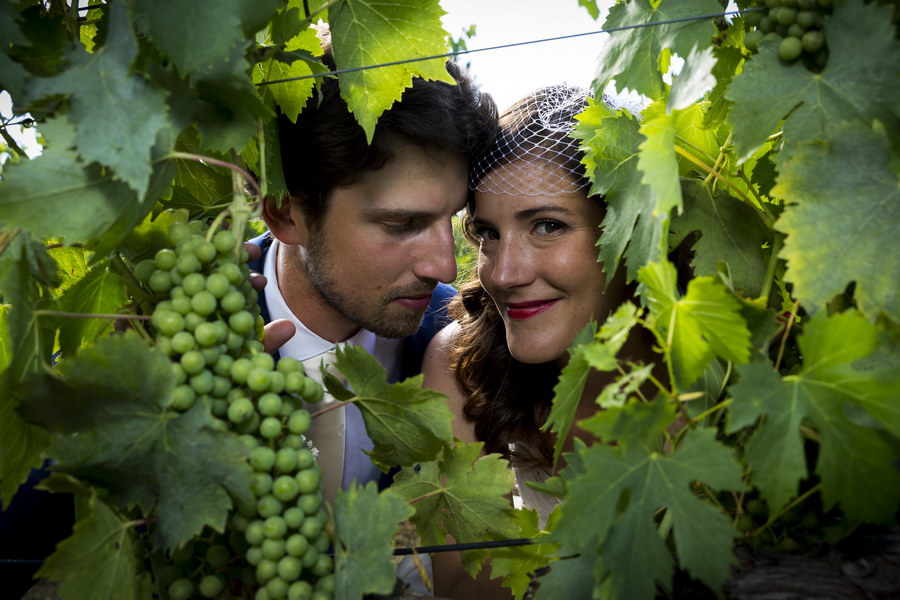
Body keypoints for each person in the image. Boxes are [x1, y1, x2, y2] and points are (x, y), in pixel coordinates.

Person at [422, 85, 658, 597]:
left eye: (547, 225)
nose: (504, 273)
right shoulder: (461, 362)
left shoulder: (716, 372)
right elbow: (458, 587)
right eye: (488, 233)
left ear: (631, 231)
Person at [247, 27, 497, 504]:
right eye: (403, 223)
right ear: (284, 212)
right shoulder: (172, 325)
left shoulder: (457, 343)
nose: (446, 268)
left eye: (455, 217)